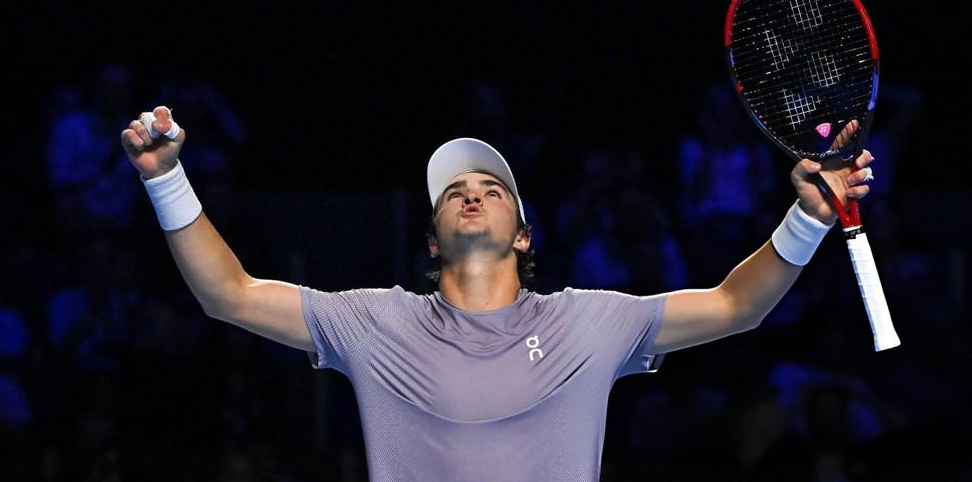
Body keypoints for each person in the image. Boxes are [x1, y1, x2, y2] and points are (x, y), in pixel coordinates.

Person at [121, 105, 876, 482]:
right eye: (455, 192)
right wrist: (165, 175)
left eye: (491, 188)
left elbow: (736, 305)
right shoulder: (375, 321)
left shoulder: (591, 320)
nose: (472, 195)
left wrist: (808, 215)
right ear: (431, 238)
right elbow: (228, 292)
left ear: (524, 234)